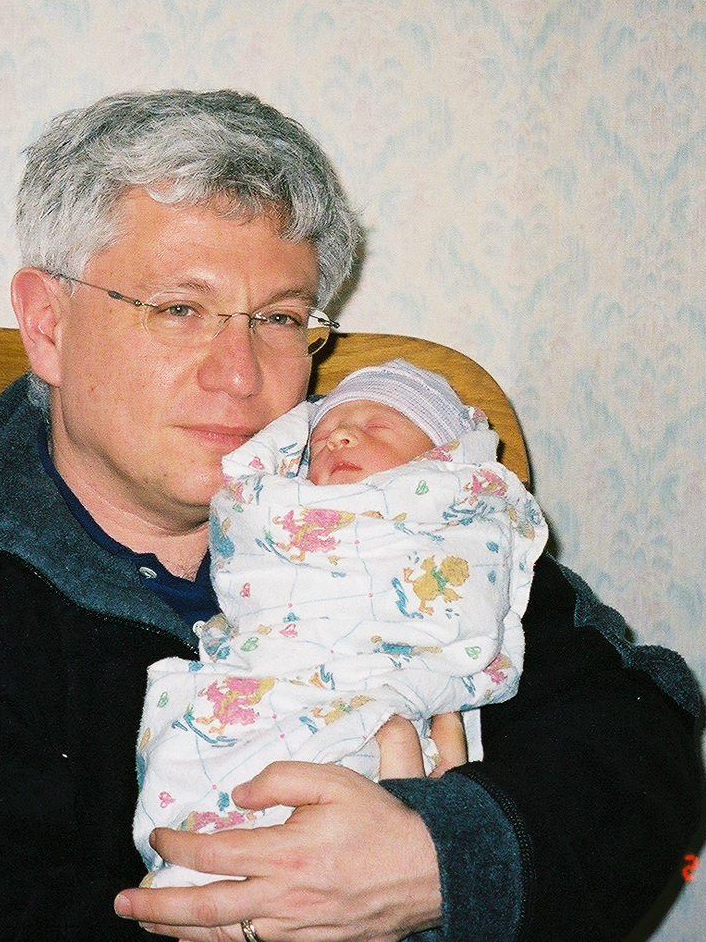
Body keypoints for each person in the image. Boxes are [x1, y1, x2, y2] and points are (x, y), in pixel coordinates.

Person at [0, 88, 706, 942]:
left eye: (281, 318)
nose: (239, 375)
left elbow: (644, 738)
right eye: (180, 309)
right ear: (48, 325)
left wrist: (440, 861)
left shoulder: (395, 518)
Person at [135, 359, 549, 888]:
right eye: (322, 434)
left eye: (378, 426)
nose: (339, 437)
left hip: (385, 703)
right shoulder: (275, 510)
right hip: (273, 682)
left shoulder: (459, 522)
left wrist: (441, 855)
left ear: (440, 455)